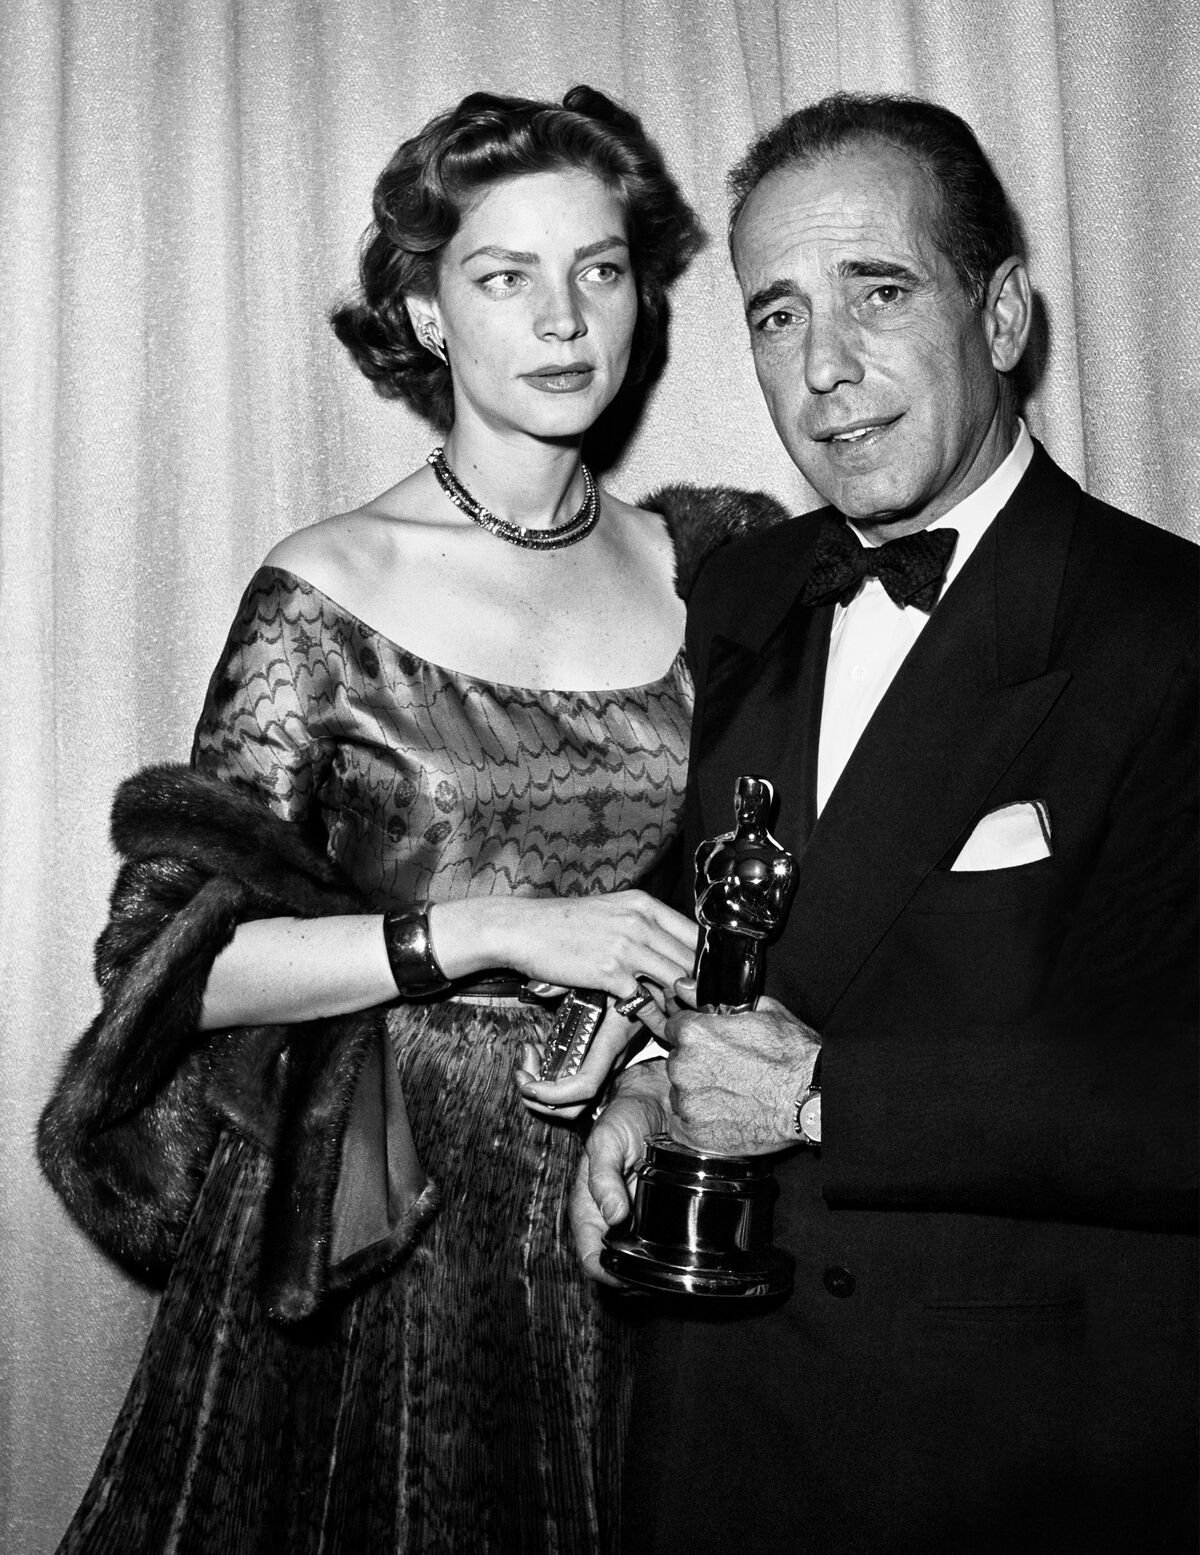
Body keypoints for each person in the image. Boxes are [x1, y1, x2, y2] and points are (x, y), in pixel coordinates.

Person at [35, 85, 772, 1555]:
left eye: (601, 269)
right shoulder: (332, 588)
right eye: (507, 276)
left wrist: (650, 1029)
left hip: (626, 1190)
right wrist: (492, 931)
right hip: (386, 1229)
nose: (565, 318)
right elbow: (171, 976)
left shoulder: (720, 567)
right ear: (431, 315)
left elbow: (760, 887)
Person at [572, 92, 1198, 1554]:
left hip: (1003, 1449)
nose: (827, 370)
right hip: (711, 1428)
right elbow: (727, 925)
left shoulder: (1168, 635)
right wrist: (650, 1087)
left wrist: (820, 1102)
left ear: (1002, 314)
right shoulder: (738, 589)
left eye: (879, 292)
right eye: (779, 315)